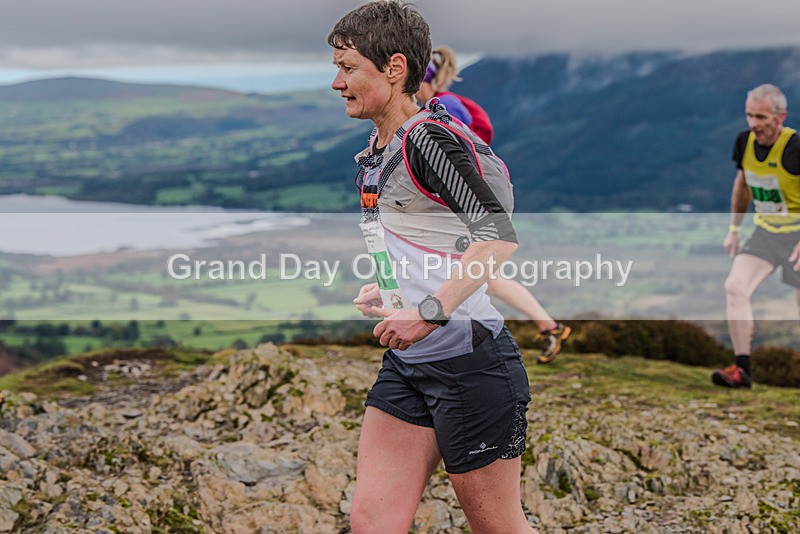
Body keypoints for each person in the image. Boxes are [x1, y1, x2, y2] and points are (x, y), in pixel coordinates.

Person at [329, 2, 537, 532]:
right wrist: (390, 285)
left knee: (498, 527)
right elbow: (433, 241)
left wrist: (428, 310)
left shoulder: (429, 139)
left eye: (349, 67)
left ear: (395, 68)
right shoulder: (379, 146)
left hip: (472, 367)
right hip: (408, 368)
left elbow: (497, 238)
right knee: (372, 521)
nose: (337, 82)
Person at [417, 45, 571, 364]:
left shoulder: (443, 106)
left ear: (424, 80)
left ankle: (477, 346)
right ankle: (547, 328)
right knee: (482, 277)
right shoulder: (441, 104)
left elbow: (460, 156)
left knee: (476, 275)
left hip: (467, 208)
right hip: (467, 206)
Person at [712, 84, 800, 389]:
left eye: (761, 116)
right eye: (749, 115)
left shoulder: (795, 147)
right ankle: (742, 370)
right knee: (735, 287)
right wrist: (734, 229)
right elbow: (743, 185)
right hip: (767, 233)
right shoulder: (744, 142)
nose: (753, 124)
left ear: (780, 117)